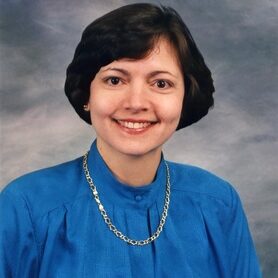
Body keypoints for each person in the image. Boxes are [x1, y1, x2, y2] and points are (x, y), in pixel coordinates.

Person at [0, 3, 261, 277]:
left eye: (161, 83)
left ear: (185, 98)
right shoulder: (26, 206)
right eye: (115, 80)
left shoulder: (218, 203)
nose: (136, 103)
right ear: (87, 95)